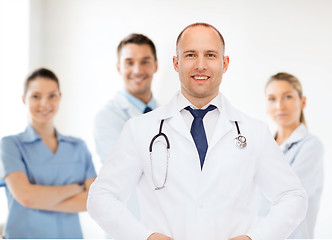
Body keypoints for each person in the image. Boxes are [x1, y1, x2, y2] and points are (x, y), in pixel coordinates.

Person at [87, 23, 307, 240]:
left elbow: (292, 197)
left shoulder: (254, 131)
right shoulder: (140, 129)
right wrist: (145, 237)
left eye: (210, 55)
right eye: (191, 55)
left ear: (225, 63)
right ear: (176, 62)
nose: (200, 65)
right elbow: (101, 197)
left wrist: (254, 238)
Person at [0, 68, 96, 238]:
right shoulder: (11, 145)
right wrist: (74, 189)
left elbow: (94, 200)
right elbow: (26, 197)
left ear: (60, 97)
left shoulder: (78, 147)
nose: (45, 103)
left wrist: (37, 200)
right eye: (36, 96)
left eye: (52, 95)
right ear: (24, 100)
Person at [257, 72, 324, 238]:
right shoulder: (261, 145)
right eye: (272, 98)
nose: (279, 105)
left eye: (287, 97)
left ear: (302, 102)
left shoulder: (311, 146)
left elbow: (291, 199)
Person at [94, 33, 158, 163]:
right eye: (129, 63)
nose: (137, 70)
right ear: (119, 68)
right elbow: (121, 169)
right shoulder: (107, 117)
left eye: (145, 62)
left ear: (155, 66)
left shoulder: (166, 112)